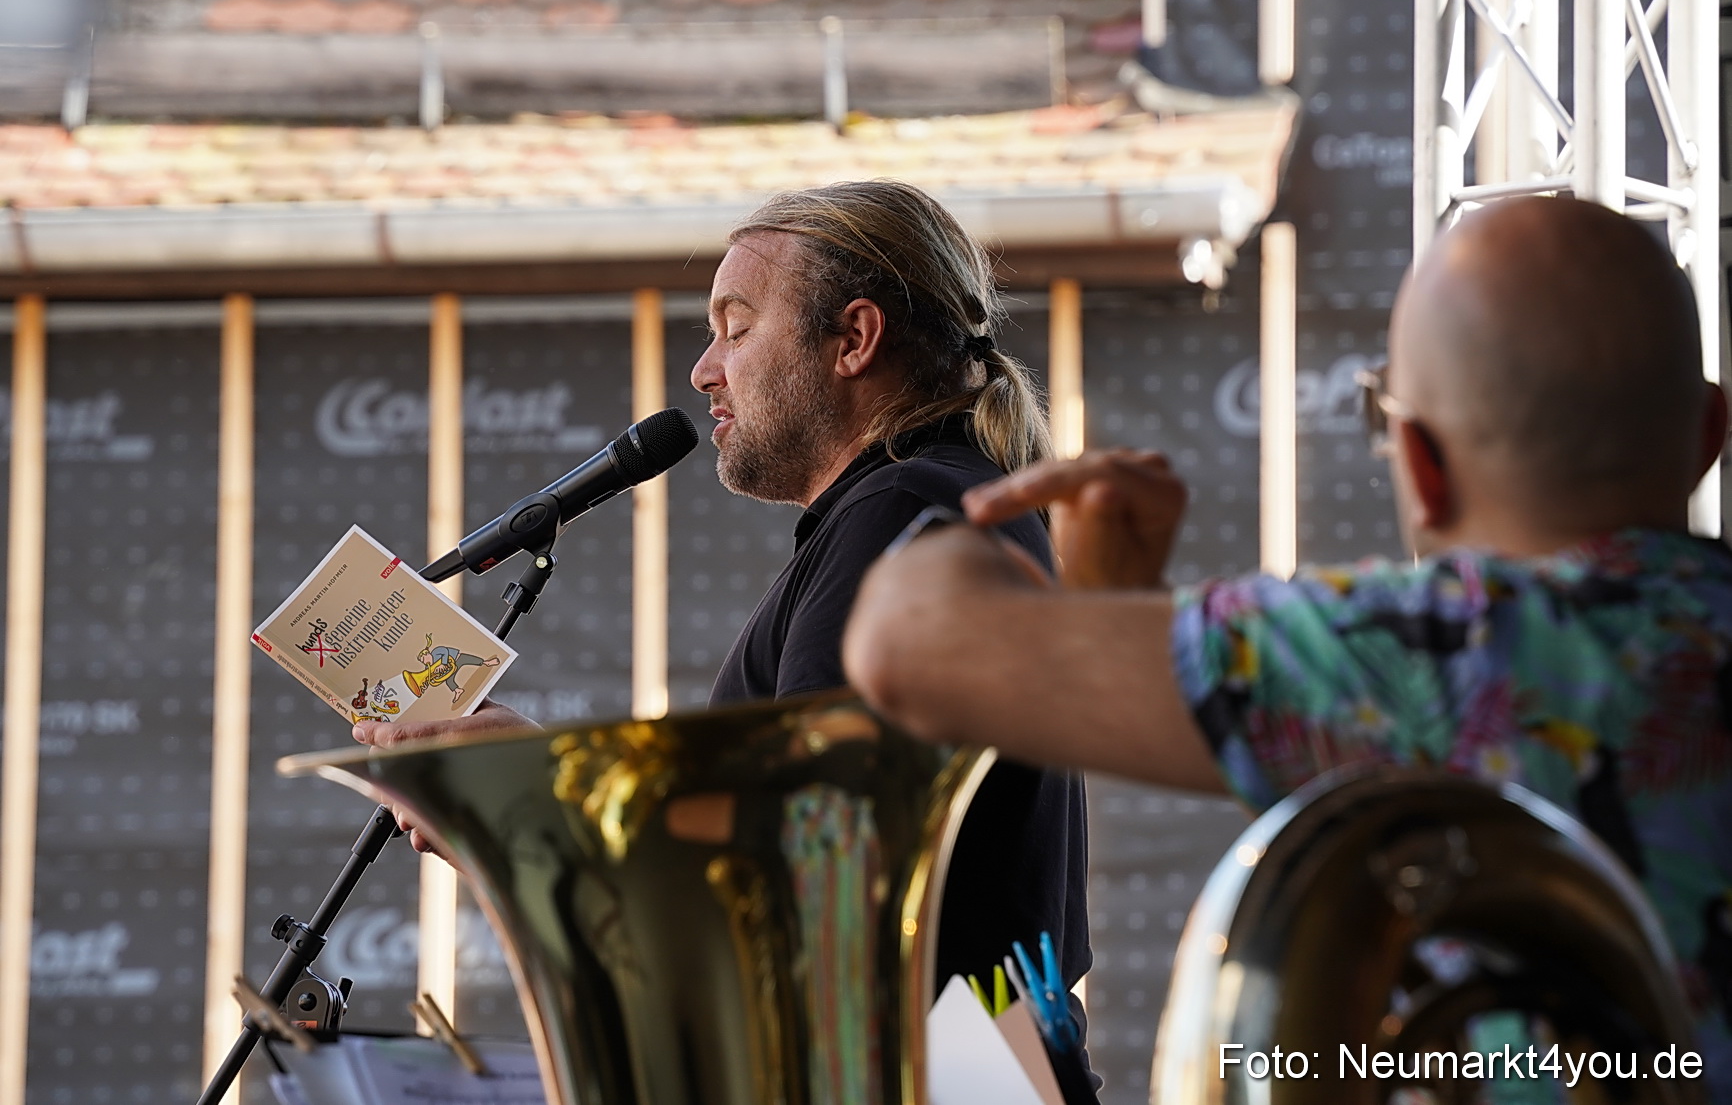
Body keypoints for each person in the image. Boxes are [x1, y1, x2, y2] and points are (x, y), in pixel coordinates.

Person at [841, 195, 1732, 1095]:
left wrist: (950, 504)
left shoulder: (1431, 652)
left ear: (1420, 462)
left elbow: (905, 641)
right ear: (1709, 435)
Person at [354, 181, 1098, 1086]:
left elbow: (808, 887)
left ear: (854, 341)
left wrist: (546, 799)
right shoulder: (935, 507)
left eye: (736, 328)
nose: (707, 370)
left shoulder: (900, 517)